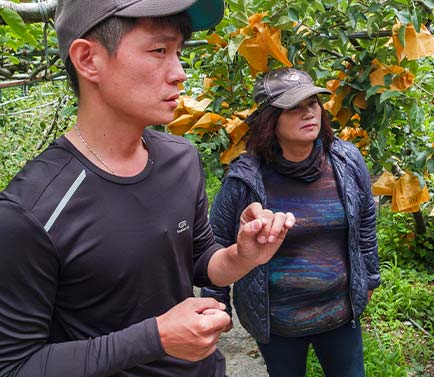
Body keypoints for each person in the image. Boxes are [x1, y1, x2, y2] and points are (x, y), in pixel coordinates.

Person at [0, 1, 295, 376]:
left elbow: (200, 261)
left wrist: (242, 255)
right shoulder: (30, 211)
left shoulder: (181, 159)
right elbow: (14, 365)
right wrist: (155, 339)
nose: (179, 73)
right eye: (159, 51)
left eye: (178, 53)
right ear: (88, 59)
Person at [201, 67, 380, 377]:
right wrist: (216, 305)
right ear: (271, 121)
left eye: (312, 104)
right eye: (294, 108)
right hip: (278, 322)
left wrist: (370, 279)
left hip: (339, 315)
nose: (308, 113)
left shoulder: (346, 161)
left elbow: (365, 220)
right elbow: (216, 242)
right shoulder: (246, 178)